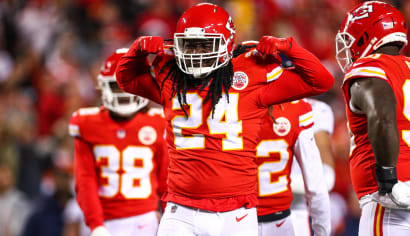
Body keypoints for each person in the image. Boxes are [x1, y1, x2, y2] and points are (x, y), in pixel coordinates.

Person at [116, 3, 334, 235]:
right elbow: (126, 80)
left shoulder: (250, 72)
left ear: (226, 43)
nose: (196, 54)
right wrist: (137, 50)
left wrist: (289, 47)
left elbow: (321, 81)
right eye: (189, 45)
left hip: (235, 212)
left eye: (204, 45)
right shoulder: (170, 74)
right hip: (181, 209)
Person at [336, 1, 410, 235]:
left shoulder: (370, 67)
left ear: (365, 36)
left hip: (393, 201)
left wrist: (387, 179)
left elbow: (382, 116)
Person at [69, 48, 169, 236]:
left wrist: (169, 216)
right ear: (103, 87)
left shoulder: (158, 122)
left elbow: (166, 180)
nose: (124, 92)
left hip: (145, 219)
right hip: (103, 221)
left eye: (129, 85)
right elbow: (85, 181)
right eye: (117, 85)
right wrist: (95, 224)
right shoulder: (87, 123)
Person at [255, 99, 331, 236]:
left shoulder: (233, 101)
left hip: (239, 214)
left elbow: (328, 176)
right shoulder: (300, 109)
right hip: (282, 213)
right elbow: (319, 185)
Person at [289, 98, 335, 235]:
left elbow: (328, 178)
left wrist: (277, 183)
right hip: (251, 207)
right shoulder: (256, 102)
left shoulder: (316, 109)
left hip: (295, 208)